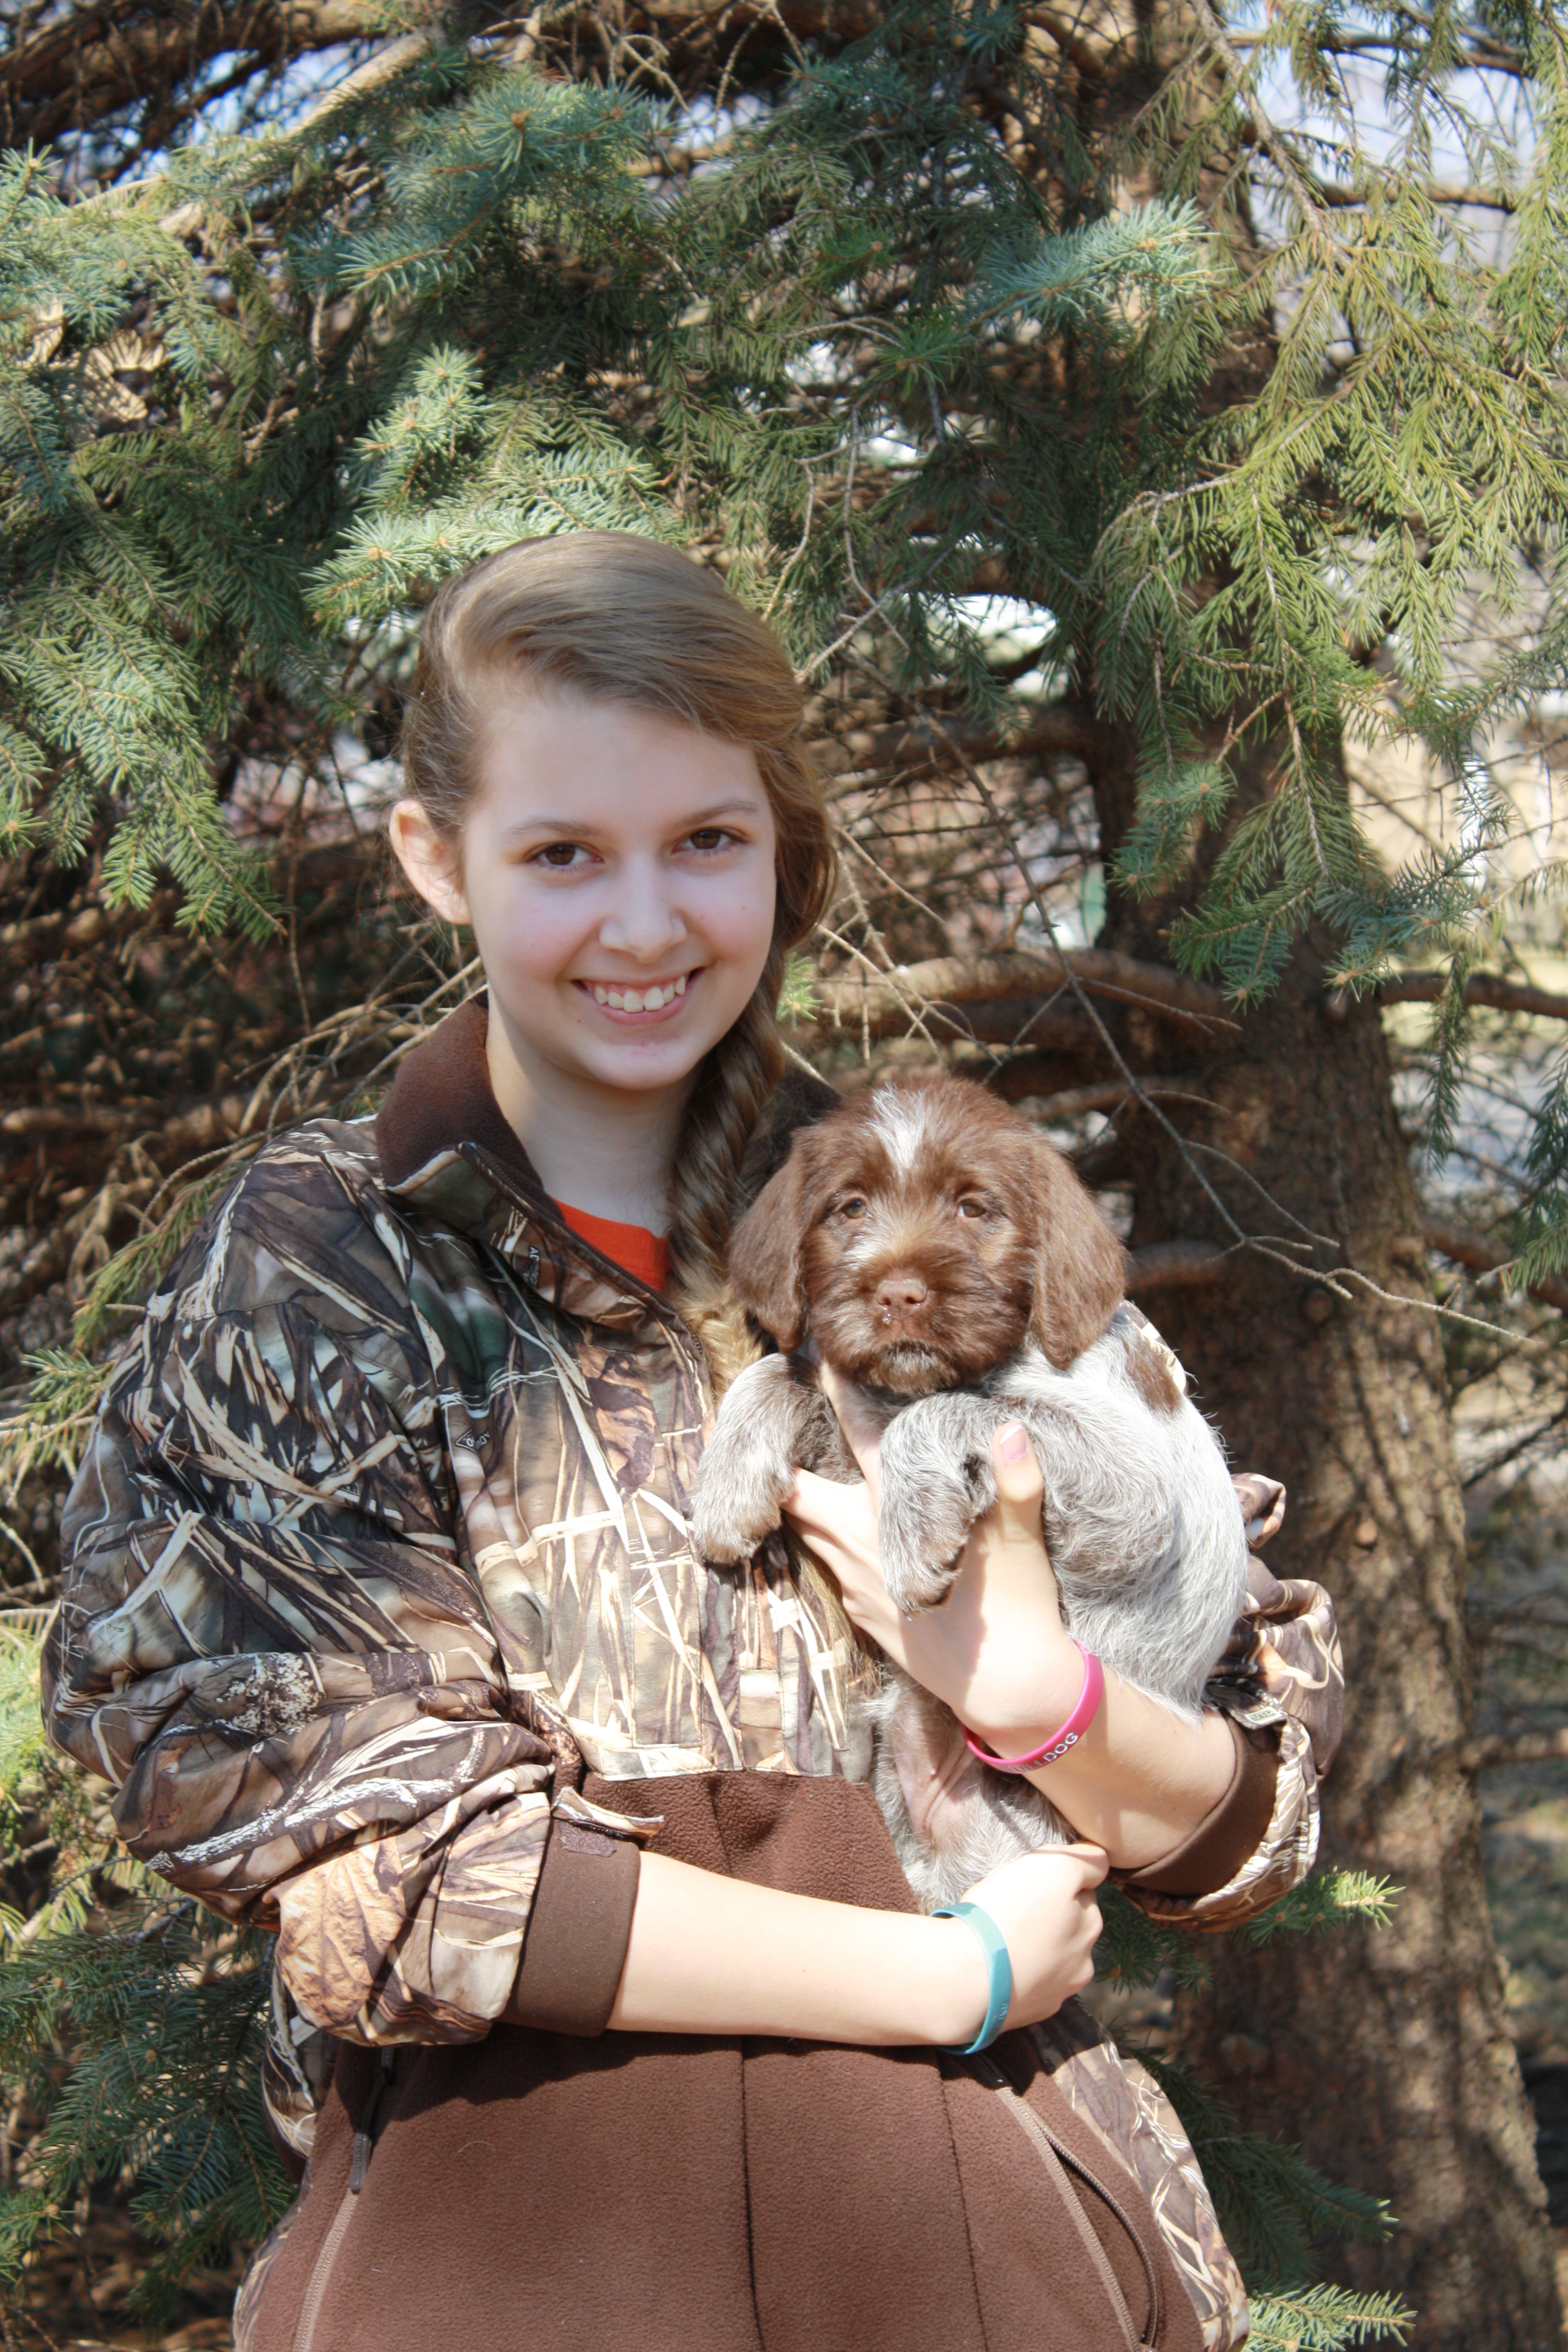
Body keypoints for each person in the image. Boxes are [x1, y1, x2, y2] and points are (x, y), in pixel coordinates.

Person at [43, 532, 1342, 2352]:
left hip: (970, 2232)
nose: (646, 924)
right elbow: (380, 1882)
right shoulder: (320, 1272)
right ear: (436, 857)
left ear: (783, 854)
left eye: (708, 841)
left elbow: (1247, 1809)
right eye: (564, 854)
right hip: (527, 2236)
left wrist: (1042, 1700)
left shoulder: (932, 1210)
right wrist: (943, 1976)